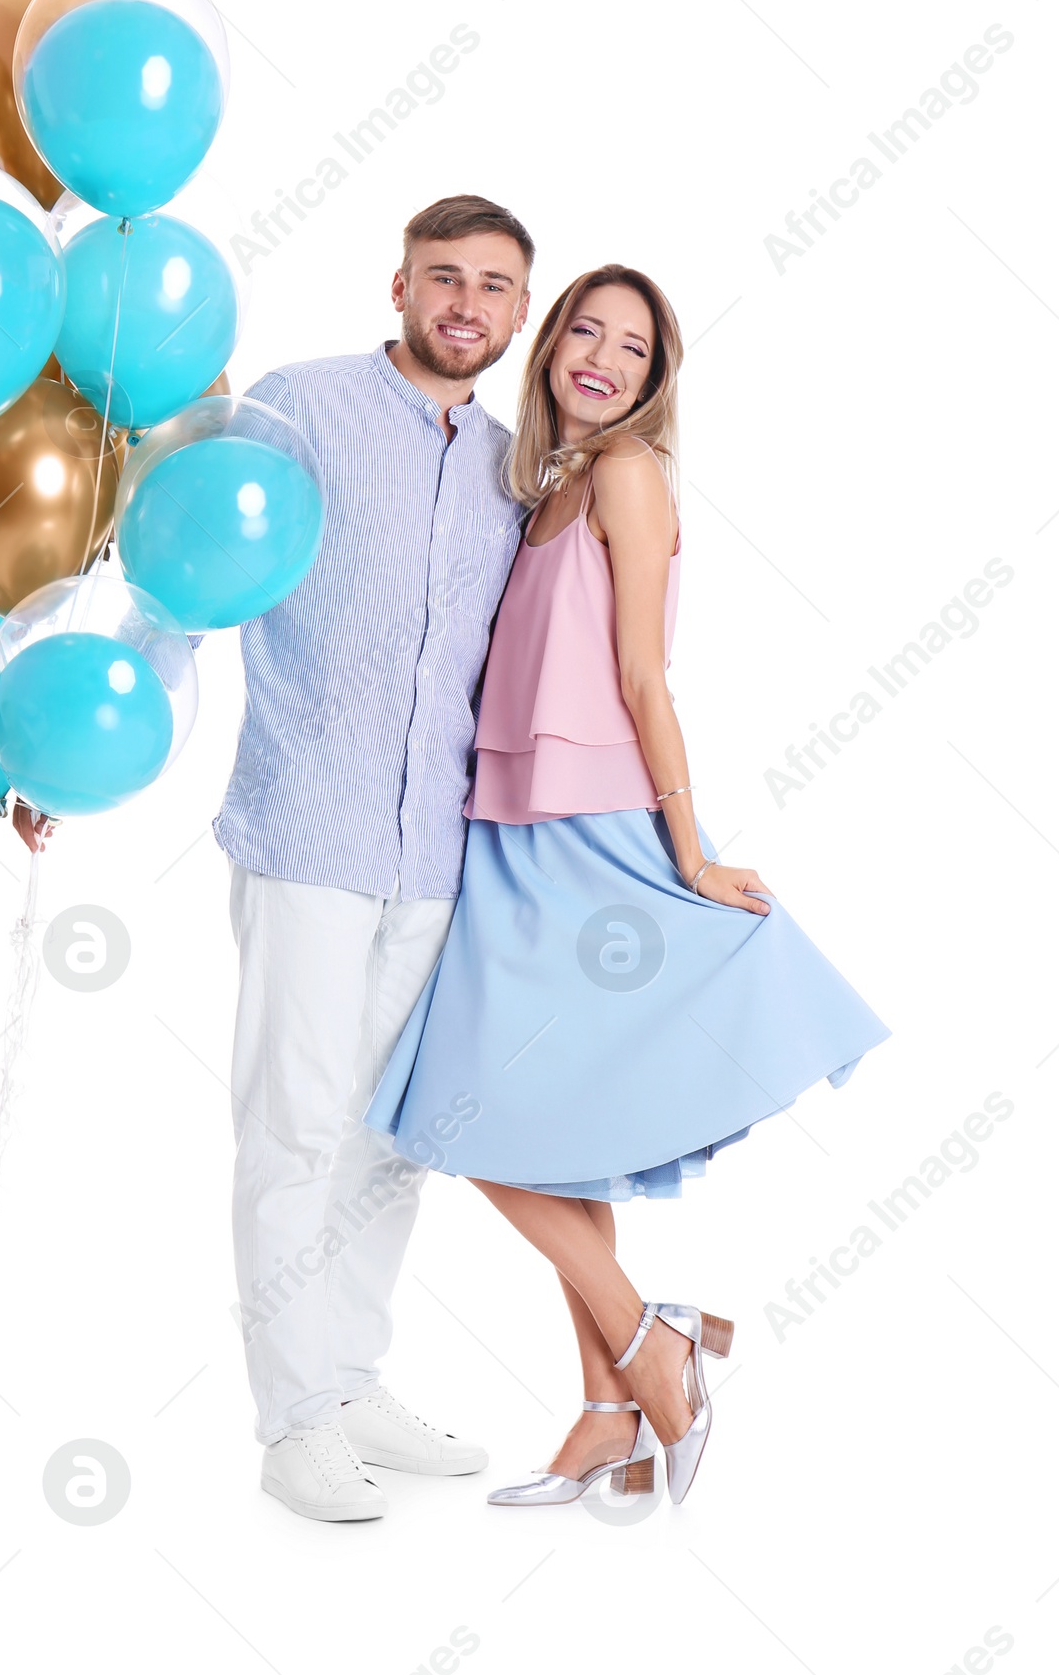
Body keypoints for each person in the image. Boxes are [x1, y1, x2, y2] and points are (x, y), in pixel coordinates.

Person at [366, 262, 890, 1509]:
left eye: (634, 348)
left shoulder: (627, 476)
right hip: (502, 829)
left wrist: (692, 850)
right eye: (585, 331)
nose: (603, 357)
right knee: (540, 1126)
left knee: (462, 1118)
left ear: (655, 380)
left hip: (587, 834)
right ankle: (611, 1405)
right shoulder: (541, 484)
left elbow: (648, 681)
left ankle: (652, 1345)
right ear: (548, 346)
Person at [210, 194, 534, 1522]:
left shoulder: (514, 466)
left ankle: (347, 1381)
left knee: (393, 1135)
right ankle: (292, 1424)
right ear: (400, 283)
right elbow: (194, 573)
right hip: (309, 829)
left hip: (433, 853)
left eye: (496, 287)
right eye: (446, 277)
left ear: (520, 309)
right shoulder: (300, 405)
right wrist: (66, 742)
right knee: (290, 1127)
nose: (469, 304)